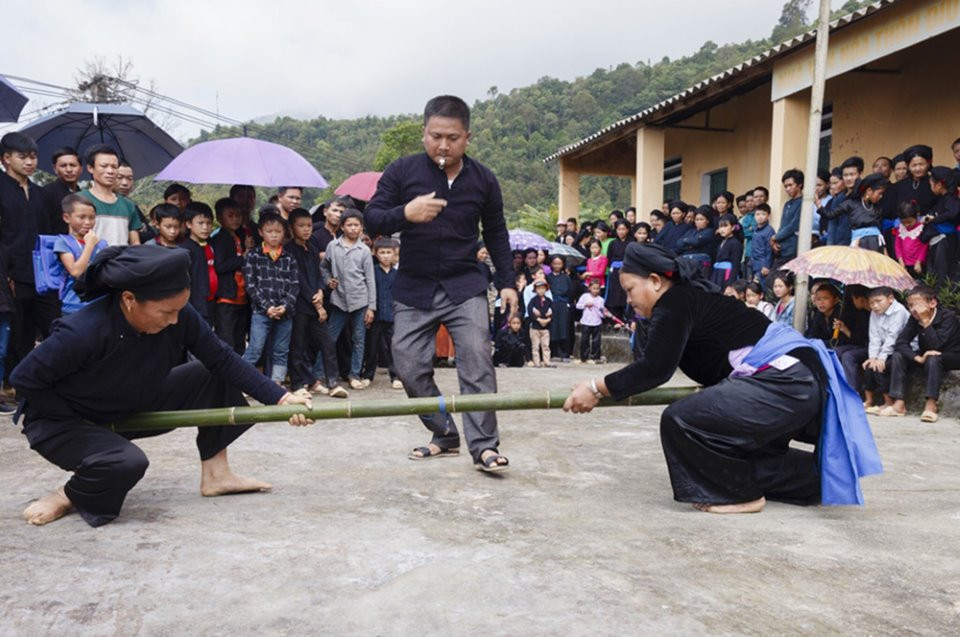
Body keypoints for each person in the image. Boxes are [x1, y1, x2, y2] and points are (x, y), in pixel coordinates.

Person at [562, 242, 883, 513]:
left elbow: (655, 369)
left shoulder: (675, 302)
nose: (628, 299)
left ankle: (742, 496)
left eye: (631, 289)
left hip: (786, 381)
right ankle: (812, 479)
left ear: (656, 281)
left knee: (680, 420)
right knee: (740, 453)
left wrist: (596, 388)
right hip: (799, 381)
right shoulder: (692, 299)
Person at [11, 245, 313, 527]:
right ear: (129, 300)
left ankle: (217, 474)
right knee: (127, 463)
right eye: (166, 312)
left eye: (179, 310)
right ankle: (68, 494)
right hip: (64, 420)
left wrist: (281, 398)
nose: (174, 320)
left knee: (211, 373)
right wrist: (81, 423)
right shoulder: (82, 331)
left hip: (126, 400)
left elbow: (221, 358)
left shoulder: (179, 315)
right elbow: (24, 380)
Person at [364, 95, 516, 472]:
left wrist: (508, 282)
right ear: (423, 134)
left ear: (467, 137)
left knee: (478, 359)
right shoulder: (401, 172)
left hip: (465, 285)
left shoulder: (484, 179)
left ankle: (483, 446)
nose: (443, 145)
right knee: (408, 364)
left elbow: (496, 233)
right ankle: (444, 432)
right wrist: (406, 213)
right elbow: (372, 219)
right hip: (414, 286)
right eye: (435, 136)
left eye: (452, 137)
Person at [0, 132, 61, 373]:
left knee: (53, 326)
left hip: (43, 274)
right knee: (17, 332)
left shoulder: (40, 193)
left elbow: (50, 233)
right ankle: (13, 384)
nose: (29, 162)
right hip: (11, 274)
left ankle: (39, 381)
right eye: (22, 157)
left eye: (33, 157)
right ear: (6, 158)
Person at [287, 208, 345, 398]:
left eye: (309, 226)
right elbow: (298, 280)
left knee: (327, 343)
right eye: (301, 226)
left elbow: (318, 273)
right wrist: (318, 304)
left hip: (315, 301)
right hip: (300, 306)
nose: (306, 230)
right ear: (291, 227)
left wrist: (321, 290)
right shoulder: (289, 250)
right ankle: (298, 383)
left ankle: (333, 382)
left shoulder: (311, 248)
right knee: (298, 346)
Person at [883, 285, 960, 422]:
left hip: (951, 355)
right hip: (925, 355)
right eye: (910, 305)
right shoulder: (914, 318)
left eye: (917, 304)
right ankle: (899, 402)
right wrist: (917, 358)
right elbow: (901, 343)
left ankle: (931, 405)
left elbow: (937, 346)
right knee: (898, 356)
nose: (913, 309)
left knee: (933, 356)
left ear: (932, 303)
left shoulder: (948, 317)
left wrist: (925, 321)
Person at [321, 208, 376, 390]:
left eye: (357, 225)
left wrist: (371, 307)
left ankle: (354, 374)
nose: (353, 228)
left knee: (359, 339)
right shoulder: (332, 246)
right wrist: (328, 281)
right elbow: (324, 267)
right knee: (330, 337)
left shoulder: (364, 250)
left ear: (361, 227)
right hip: (339, 300)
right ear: (342, 227)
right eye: (349, 225)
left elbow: (370, 279)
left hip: (360, 300)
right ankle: (318, 373)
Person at [242, 211, 298, 384]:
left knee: (281, 350)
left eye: (278, 231)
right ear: (261, 232)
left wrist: (285, 306)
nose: (274, 235)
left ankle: (276, 384)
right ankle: (240, 381)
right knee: (255, 348)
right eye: (269, 231)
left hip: (285, 313)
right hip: (261, 312)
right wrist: (267, 306)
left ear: (284, 233)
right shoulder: (254, 255)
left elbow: (295, 285)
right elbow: (250, 285)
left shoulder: (289, 257)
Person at [54, 194, 108, 315]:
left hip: (100, 303)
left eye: (92, 218)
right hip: (73, 306)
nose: (88, 222)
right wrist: (89, 246)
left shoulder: (102, 243)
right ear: (66, 218)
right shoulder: (63, 242)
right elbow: (76, 272)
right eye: (81, 217)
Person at [79, 145, 142, 247]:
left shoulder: (128, 204)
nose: (110, 171)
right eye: (104, 166)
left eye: (114, 167)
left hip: (122, 261)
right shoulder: (79, 200)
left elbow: (135, 242)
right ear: (90, 168)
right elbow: (72, 239)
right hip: (91, 261)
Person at [210, 197, 250, 354]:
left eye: (238, 215)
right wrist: (243, 258)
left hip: (240, 296)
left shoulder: (237, 237)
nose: (235, 219)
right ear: (220, 218)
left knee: (240, 339)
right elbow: (219, 266)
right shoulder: (220, 239)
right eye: (230, 215)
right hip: (226, 297)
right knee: (227, 341)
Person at [862, 287, 910, 414]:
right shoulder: (874, 313)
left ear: (890, 299)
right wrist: (872, 356)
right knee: (870, 364)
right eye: (871, 303)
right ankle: (880, 402)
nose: (875, 306)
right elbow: (874, 337)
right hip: (887, 348)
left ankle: (893, 402)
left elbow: (893, 337)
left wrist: (881, 357)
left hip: (904, 349)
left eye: (878, 301)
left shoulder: (899, 311)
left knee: (881, 365)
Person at [362, 237, 402, 389]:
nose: (385, 256)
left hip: (392, 316)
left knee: (393, 347)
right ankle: (368, 374)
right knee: (371, 347)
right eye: (382, 252)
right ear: (375, 253)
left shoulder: (398, 274)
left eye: (388, 252)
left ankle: (396, 376)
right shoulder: (372, 272)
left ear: (394, 254)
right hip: (375, 315)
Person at [826, 173, 889, 252]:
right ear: (869, 191)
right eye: (880, 193)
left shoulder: (876, 206)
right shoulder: (849, 203)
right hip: (856, 241)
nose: (881, 196)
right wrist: (819, 206)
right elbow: (830, 217)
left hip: (875, 242)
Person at [921, 166, 960, 288]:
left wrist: (935, 219)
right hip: (938, 239)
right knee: (935, 270)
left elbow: (952, 213)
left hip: (945, 239)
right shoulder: (940, 200)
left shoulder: (951, 199)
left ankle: (944, 300)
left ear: (938, 185)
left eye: (931, 184)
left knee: (943, 271)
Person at [180, 202, 218, 324]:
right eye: (201, 223)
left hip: (211, 301)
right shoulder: (186, 249)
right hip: (195, 302)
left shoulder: (211, 245)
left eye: (209, 223)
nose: (205, 227)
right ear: (189, 224)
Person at [770, 169, 803, 280]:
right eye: (785, 186)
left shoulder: (804, 202)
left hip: (793, 249)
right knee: (774, 279)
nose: (787, 189)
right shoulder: (787, 204)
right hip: (781, 249)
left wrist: (775, 237)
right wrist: (775, 241)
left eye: (790, 185)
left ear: (799, 184)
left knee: (785, 280)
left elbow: (794, 225)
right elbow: (782, 225)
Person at [42, 146, 82, 235]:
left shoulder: (83, 195)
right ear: (55, 169)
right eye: (63, 166)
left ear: (80, 168)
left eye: (73, 165)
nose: (69, 170)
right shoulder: (46, 193)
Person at [546, 255, 574, 362]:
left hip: (563, 304)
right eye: (555, 263)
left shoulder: (566, 277)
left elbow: (570, 290)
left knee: (564, 328)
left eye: (559, 263)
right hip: (552, 303)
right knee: (553, 327)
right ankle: (553, 352)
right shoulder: (548, 277)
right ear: (551, 264)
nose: (557, 266)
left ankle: (564, 353)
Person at [605, 220, 632, 319]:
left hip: (627, 271)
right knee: (614, 294)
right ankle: (615, 318)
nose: (621, 231)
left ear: (628, 230)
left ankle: (626, 317)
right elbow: (609, 258)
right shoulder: (612, 243)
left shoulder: (631, 243)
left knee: (625, 293)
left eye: (623, 229)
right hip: (615, 272)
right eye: (619, 229)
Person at [576, 280, 608, 364]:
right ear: (589, 288)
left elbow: (603, 313)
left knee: (596, 341)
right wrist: (585, 304)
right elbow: (578, 306)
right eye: (594, 288)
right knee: (584, 340)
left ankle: (595, 357)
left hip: (597, 322)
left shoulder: (601, 300)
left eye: (597, 288)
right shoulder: (585, 296)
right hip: (586, 321)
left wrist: (604, 313)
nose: (596, 290)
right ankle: (584, 358)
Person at [894, 201, 927, 278]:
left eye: (909, 222)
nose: (907, 225)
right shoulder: (900, 229)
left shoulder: (921, 228)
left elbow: (924, 247)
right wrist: (901, 262)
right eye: (903, 222)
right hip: (904, 265)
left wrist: (919, 262)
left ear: (917, 216)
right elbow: (897, 246)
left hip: (918, 265)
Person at [711, 213, 742, 286]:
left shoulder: (735, 243)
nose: (722, 229)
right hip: (717, 273)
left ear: (733, 227)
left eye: (725, 226)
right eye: (720, 226)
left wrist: (731, 281)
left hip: (727, 274)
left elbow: (736, 264)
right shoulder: (721, 242)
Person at [528, 279, 553, 367]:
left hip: (546, 327)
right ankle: (536, 362)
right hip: (535, 327)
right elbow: (530, 312)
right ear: (535, 290)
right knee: (535, 346)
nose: (541, 290)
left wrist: (548, 319)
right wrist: (538, 319)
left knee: (546, 345)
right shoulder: (533, 301)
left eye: (543, 288)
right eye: (539, 288)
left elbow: (552, 311)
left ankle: (547, 361)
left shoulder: (549, 301)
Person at [750, 204, 775, 284]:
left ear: (768, 216)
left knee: (760, 287)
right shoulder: (755, 229)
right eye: (757, 214)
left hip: (762, 265)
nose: (760, 217)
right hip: (753, 263)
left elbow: (769, 250)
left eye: (763, 214)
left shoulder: (769, 231)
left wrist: (766, 266)